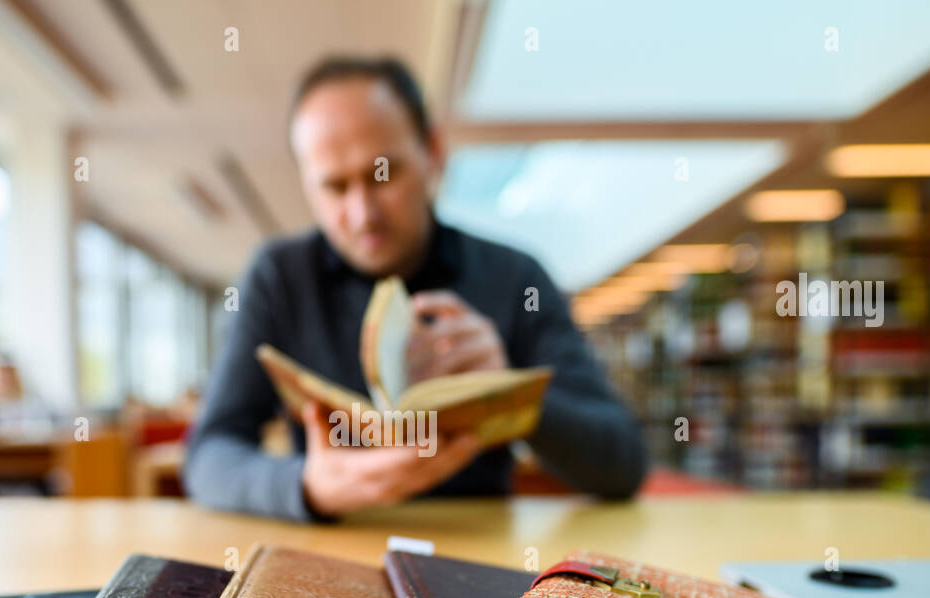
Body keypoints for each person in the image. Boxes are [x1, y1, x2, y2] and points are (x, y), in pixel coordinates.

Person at [183, 56, 646, 521]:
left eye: (383, 174)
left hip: (477, 558)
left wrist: (512, 395)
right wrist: (306, 486)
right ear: (306, 182)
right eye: (335, 186)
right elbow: (208, 456)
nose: (363, 214)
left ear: (434, 153)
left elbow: (622, 465)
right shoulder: (279, 276)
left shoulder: (516, 277)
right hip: (331, 547)